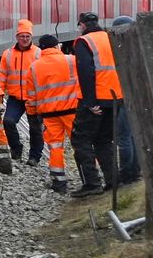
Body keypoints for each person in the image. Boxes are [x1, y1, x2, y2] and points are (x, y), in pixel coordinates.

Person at [70, 11, 123, 198]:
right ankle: (113, 180)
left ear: (82, 25)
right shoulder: (109, 37)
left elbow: (86, 73)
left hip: (95, 100)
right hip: (115, 98)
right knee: (104, 140)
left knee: (81, 140)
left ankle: (91, 183)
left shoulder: (84, 42)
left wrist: (90, 102)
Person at [30, 34, 80, 195]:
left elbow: (31, 95)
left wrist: (32, 113)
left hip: (49, 114)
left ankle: (59, 181)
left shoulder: (34, 66)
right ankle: (91, 176)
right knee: (80, 143)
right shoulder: (71, 60)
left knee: (55, 147)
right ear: (57, 46)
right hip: (72, 110)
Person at [0, 20, 43, 166]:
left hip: (33, 98)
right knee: (8, 122)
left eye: (27, 37)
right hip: (15, 97)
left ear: (31, 38)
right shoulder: (8, 54)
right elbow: (2, 76)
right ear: (17, 37)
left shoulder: (38, 53)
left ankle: (34, 157)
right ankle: (16, 148)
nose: (25, 39)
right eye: (22, 36)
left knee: (35, 129)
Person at [111, 16, 142, 184]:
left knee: (124, 138)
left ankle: (126, 173)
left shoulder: (120, 48)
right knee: (133, 136)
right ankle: (136, 170)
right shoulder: (139, 44)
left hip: (124, 97)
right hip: (137, 97)